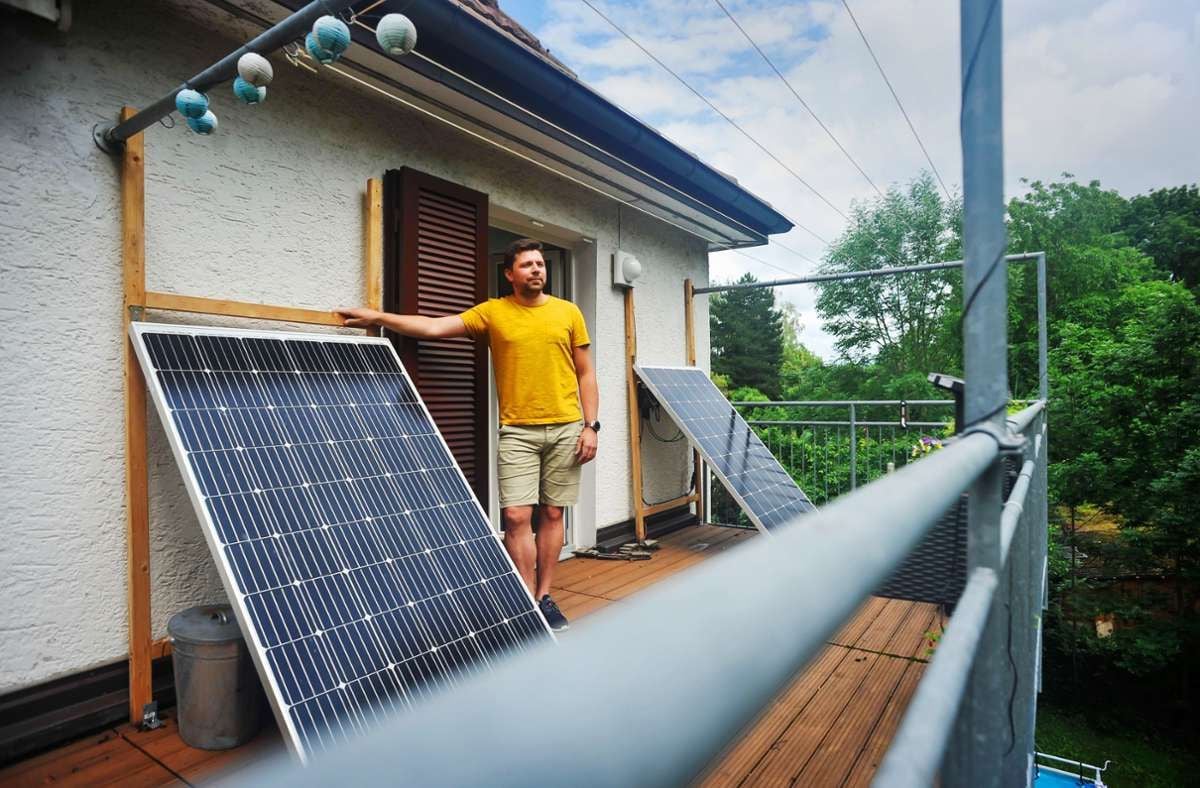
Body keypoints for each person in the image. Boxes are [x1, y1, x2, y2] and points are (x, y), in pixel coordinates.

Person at [337, 238, 598, 632]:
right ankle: (525, 599)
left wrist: (591, 426)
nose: (536, 270)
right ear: (509, 274)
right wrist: (379, 317)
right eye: (527, 265)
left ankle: (543, 597)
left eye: (540, 264)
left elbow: (585, 372)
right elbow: (434, 327)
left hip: (566, 428)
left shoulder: (568, 313)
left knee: (553, 512)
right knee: (514, 515)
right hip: (517, 431)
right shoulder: (493, 313)